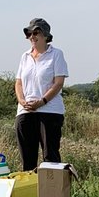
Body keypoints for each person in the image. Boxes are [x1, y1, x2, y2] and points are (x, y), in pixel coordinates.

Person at [15, 17, 69, 171]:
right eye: (29, 33)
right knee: (27, 158)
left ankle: (52, 186)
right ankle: (30, 185)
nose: (32, 36)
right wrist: (22, 101)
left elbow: (58, 83)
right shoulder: (25, 57)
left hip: (49, 111)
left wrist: (42, 101)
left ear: (45, 35)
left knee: (50, 157)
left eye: (35, 32)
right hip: (26, 111)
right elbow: (19, 83)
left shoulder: (56, 54)